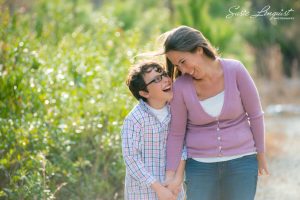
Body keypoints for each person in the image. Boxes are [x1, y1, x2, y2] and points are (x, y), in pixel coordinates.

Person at [154, 26, 269, 200]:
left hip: (242, 162)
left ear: (199, 50)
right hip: (200, 167)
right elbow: (177, 133)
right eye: (177, 65)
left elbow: (255, 115)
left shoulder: (235, 70)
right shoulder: (180, 86)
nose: (182, 70)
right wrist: (171, 174)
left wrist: (260, 155)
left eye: (183, 61)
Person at [121, 61, 187, 200]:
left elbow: (183, 148)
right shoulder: (135, 119)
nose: (165, 80)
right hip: (142, 194)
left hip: (173, 192)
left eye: (164, 74)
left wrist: (176, 180)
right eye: (157, 79)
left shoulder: (176, 111)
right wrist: (157, 188)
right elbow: (131, 159)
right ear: (144, 93)